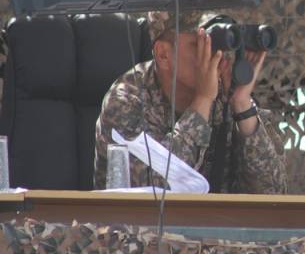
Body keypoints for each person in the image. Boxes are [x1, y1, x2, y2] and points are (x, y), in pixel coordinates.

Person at [94, 11, 287, 193]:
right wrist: (203, 100)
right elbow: (153, 192)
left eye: (216, 44)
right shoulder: (127, 100)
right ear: (163, 54)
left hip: (216, 218)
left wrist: (242, 105)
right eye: (200, 44)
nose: (215, 55)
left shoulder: (225, 94)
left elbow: (273, 195)